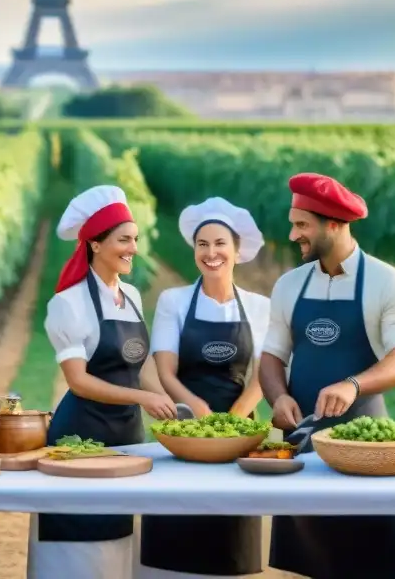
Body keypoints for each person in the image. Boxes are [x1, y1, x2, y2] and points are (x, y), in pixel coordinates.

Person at [258, 172, 395, 579]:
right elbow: (272, 358)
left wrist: (353, 385)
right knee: (312, 561)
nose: (293, 234)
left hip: (367, 447)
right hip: (303, 444)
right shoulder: (289, 284)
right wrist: (277, 397)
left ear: (333, 224)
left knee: (372, 558)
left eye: (302, 225)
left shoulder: (388, 282)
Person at [28, 185, 177, 579]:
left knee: (120, 543)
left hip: (128, 435)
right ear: (95, 243)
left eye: (135, 239)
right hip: (82, 439)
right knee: (80, 550)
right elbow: (78, 382)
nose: (133, 248)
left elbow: (140, 366)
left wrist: (168, 403)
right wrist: (142, 397)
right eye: (123, 239)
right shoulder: (68, 303)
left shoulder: (130, 295)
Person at [138, 197, 272, 579]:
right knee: (177, 530)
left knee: (229, 541)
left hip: (239, 429)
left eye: (219, 244)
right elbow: (166, 372)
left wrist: (232, 423)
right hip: (185, 428)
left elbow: (263, 375)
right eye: (202, 244)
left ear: (236, 250)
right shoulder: (174, 301)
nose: (211, 253)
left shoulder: (259, 306)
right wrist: (197, 410)